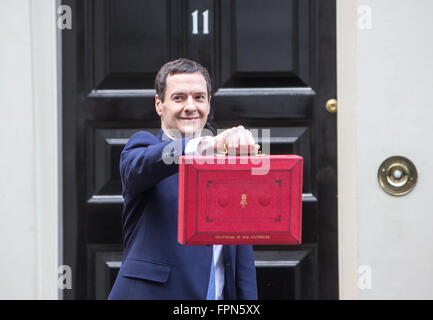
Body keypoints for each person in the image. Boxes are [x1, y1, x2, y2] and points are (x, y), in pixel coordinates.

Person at [108, 58, 258, 300]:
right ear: (159, 104)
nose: (190, 106)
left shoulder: (229, 162)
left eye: (199, 97)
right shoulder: (144, 147)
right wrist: (206, 144)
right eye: (179, 98)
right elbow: (143, 165)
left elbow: (242, 256)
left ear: (209, 103)